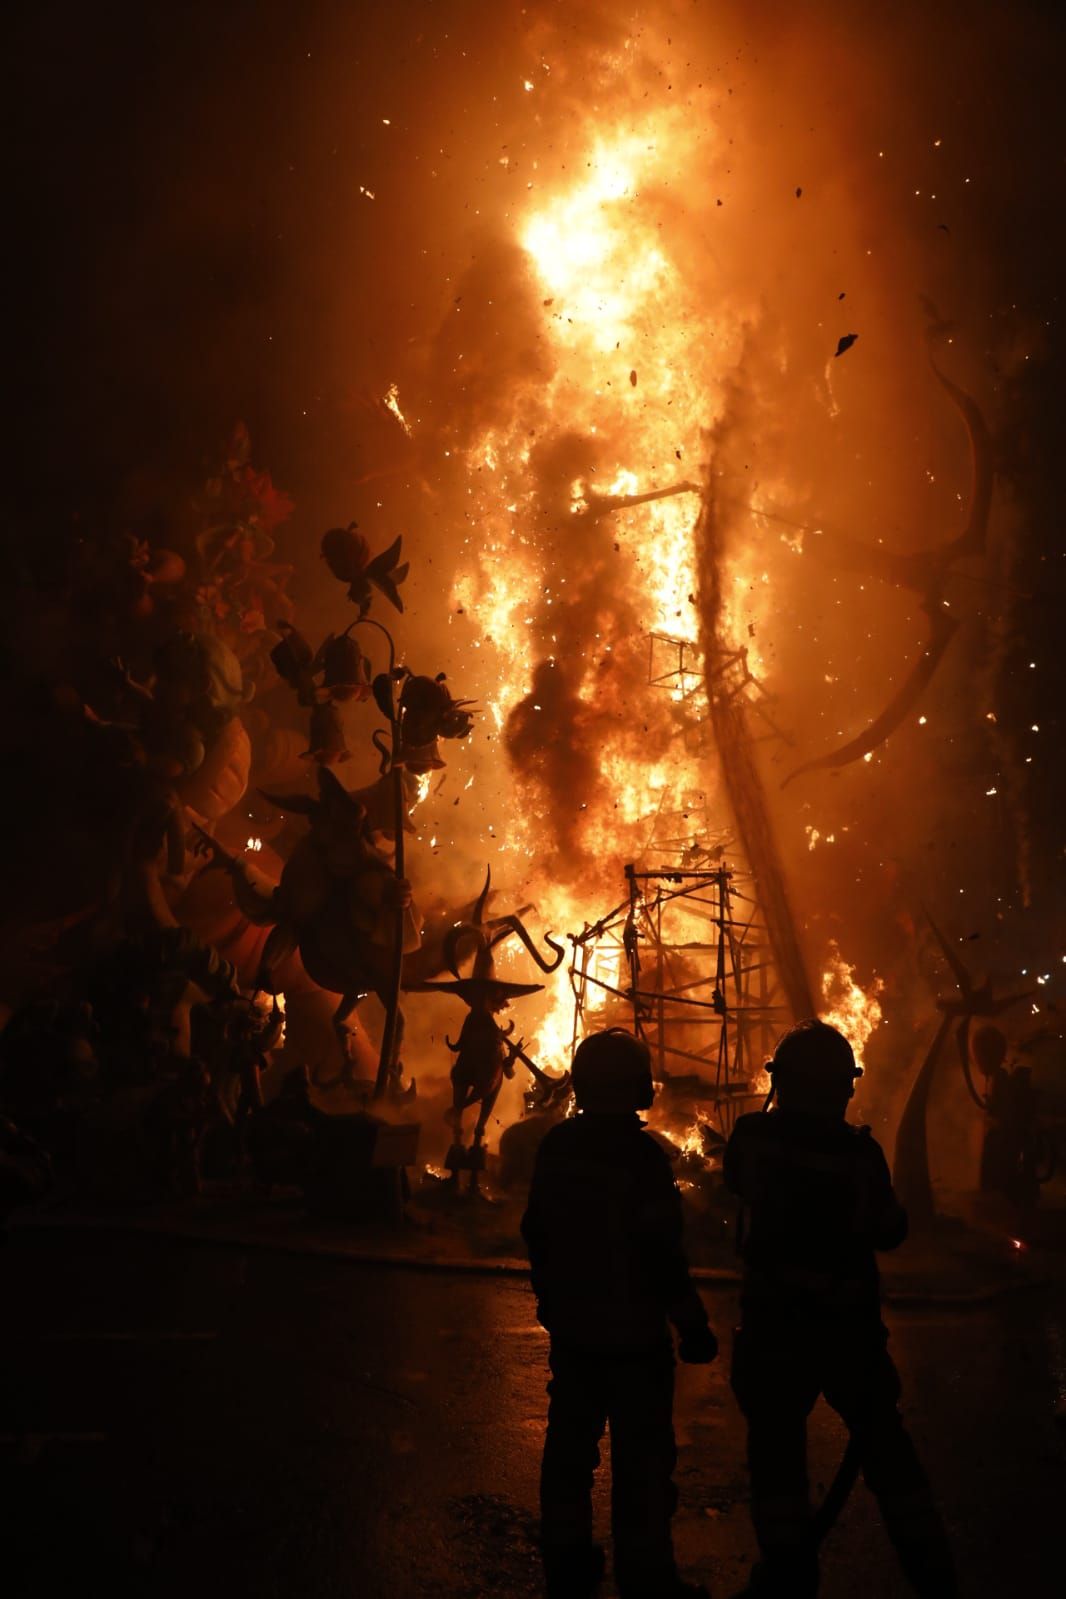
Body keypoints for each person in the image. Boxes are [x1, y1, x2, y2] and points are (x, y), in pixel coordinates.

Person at [725, 1019, 958, 1598]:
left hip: (775, 1331)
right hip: (847, 1333)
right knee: (887, 1454)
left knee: (777, 1458)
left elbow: (737, 1184)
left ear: (780, 1081)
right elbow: (889, 1230)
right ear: (843, 1088)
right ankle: (933, 1576)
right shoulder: (860, 1154)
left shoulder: (752, 1138)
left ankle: (788, 1578)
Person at [521, 1027, 717, 1599]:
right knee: (643, 1462)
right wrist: (692, 1324)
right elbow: (663, 1254)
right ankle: (646, 1578)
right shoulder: (642, 1158)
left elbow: (537, 1230)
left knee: (568, 1453)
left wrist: (550, 1299)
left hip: (575, 1333)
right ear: (638, 1087)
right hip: (635, 1339)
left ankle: (567, 1567)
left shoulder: (558, 1147)